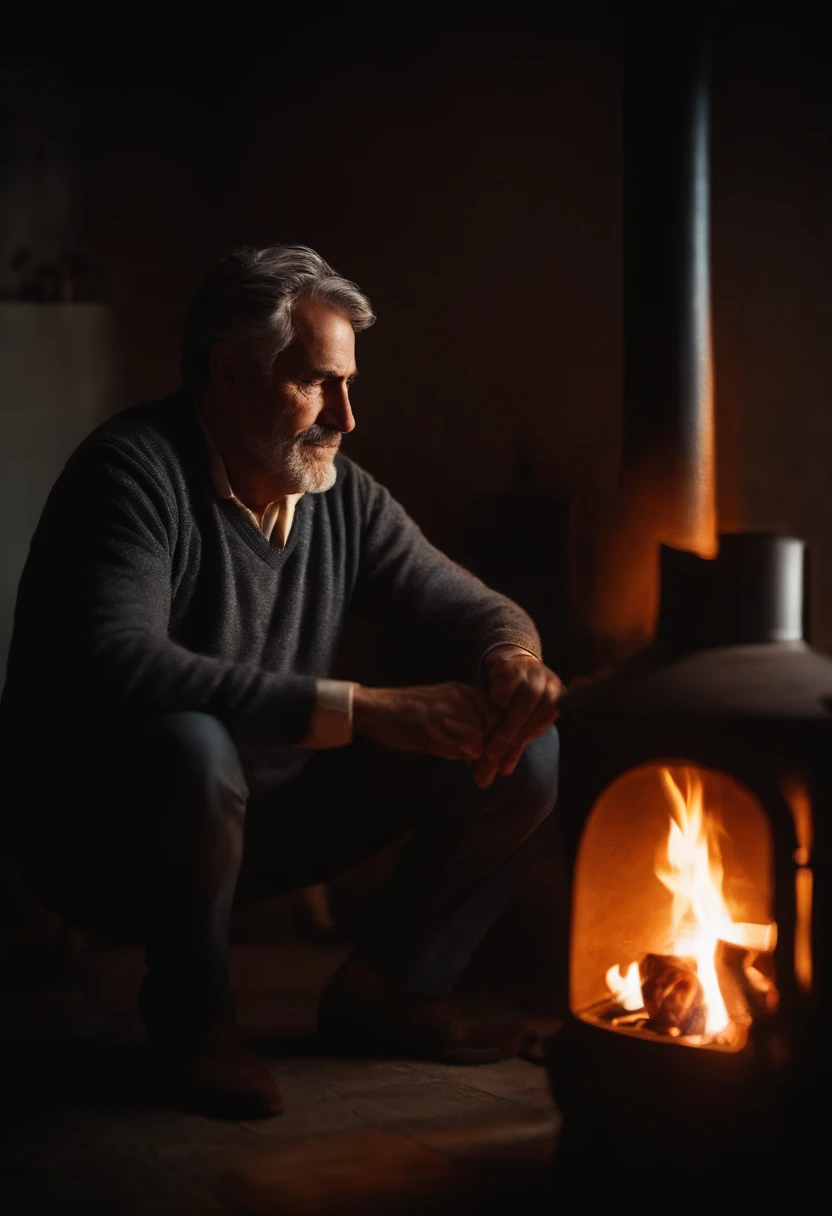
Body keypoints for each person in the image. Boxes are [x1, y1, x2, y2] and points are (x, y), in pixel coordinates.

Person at [0, 245, 562, 1119]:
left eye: (347, 384)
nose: (346, 413)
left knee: (524, 746)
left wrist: (513, 665)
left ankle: (394, 990)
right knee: (192, 741)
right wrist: (366, 710)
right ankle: (194, 1020)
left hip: (262, 818)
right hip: (101, 837)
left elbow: (476, 606)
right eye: (316, 383)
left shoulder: (342, 497)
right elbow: (123, 662)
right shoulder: (130, 472)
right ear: (227, 372)